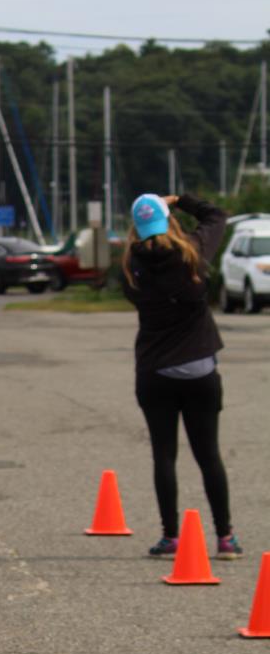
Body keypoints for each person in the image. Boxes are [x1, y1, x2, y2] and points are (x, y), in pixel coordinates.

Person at [123, 191, 242, 558]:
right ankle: (225, 537)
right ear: (169, 221)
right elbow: (216, 215)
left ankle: (171, 537)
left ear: (136, 228)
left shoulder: (131, 265)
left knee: (164, 456)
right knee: (209, 456)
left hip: (155, 371)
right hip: (199, 371)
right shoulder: (193, 252)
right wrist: (179, 200)